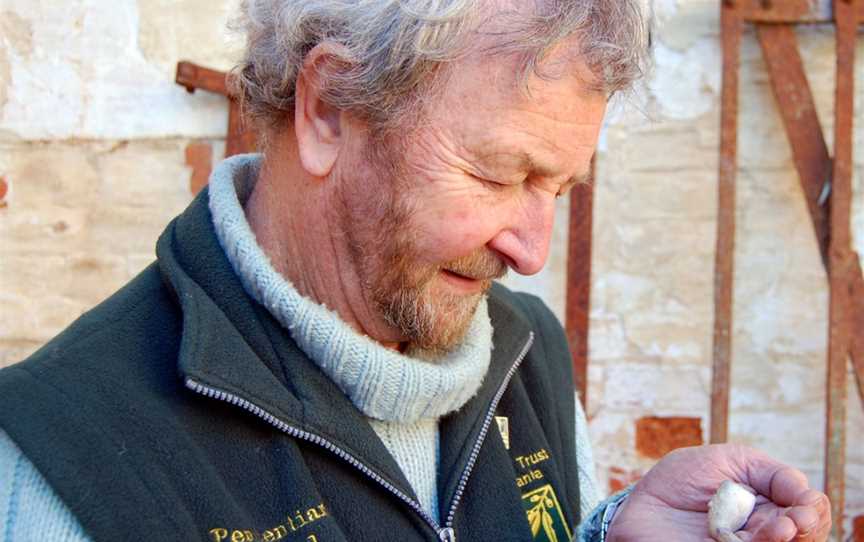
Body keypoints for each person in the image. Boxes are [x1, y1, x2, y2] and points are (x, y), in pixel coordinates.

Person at [0, 1, 832, 541]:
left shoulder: (523, 351)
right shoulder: (61, 463)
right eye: (499, 176)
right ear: (328, 106)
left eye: (558, 188)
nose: (532, 251)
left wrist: (610, 535)